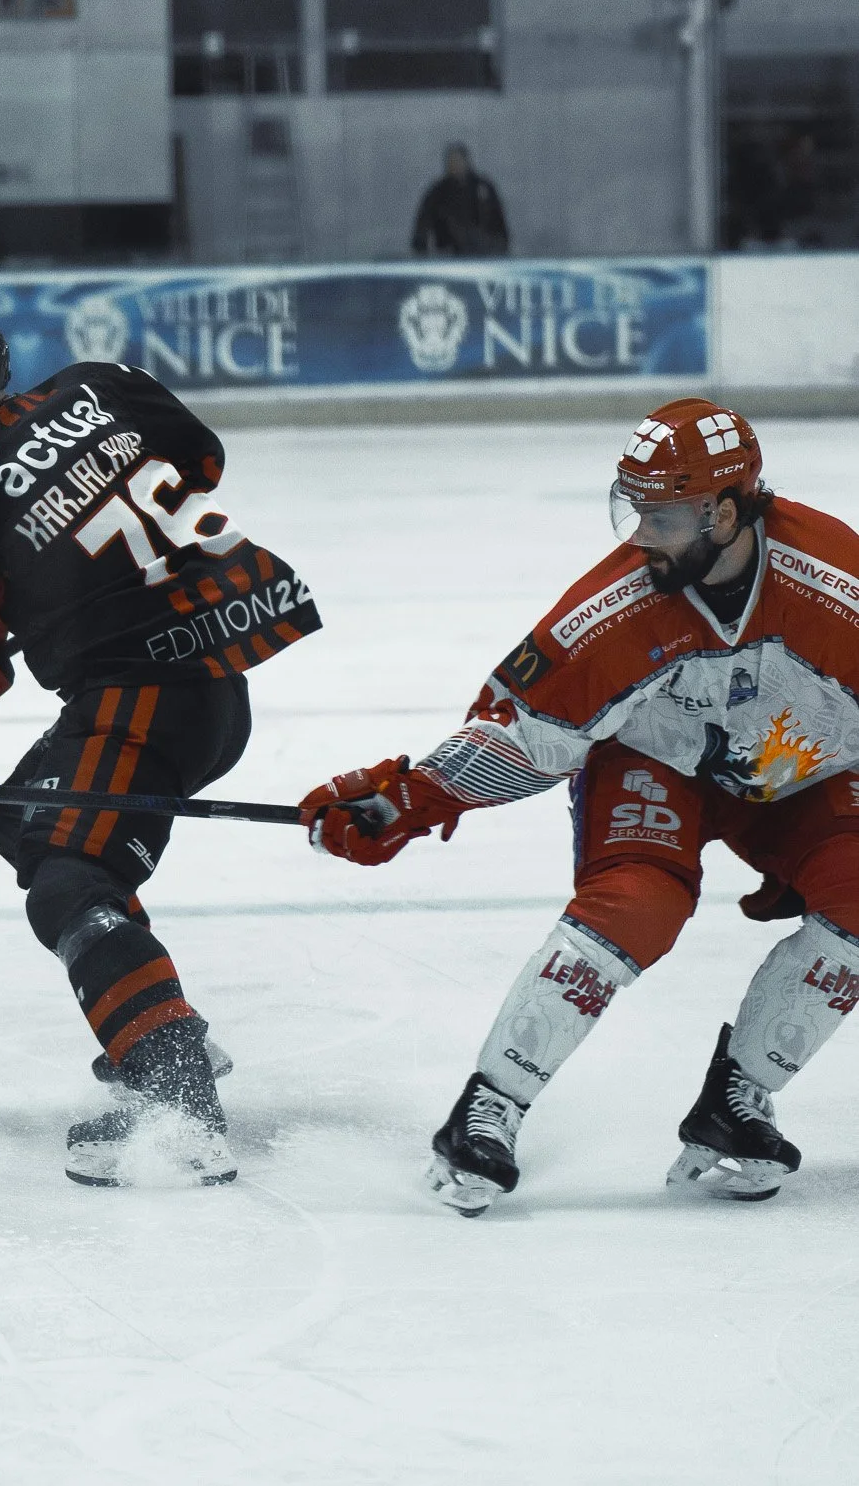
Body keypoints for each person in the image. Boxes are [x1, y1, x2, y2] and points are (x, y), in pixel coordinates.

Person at [298, 399, 859, 1216]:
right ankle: (487, 1110)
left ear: (727, 511)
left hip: (798, 768)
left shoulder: (839, 587)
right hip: (653, 760)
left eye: (662, 517)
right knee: (635, 907)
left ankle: (736, 1103)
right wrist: (408, 799)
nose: (639, 537)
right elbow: (524, 734)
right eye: (634, 511)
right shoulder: (616, 609)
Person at [0, 307, 322, 1187]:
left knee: (69, 876)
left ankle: (177, 1082)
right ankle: (147, 1008)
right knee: (19, 818)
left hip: (142, 704)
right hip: (211, 676)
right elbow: (201, 456)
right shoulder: (100, 385)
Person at [410, 142, 509, 258]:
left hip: (483, 255)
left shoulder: (483, 189)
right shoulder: (438, 193)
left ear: (466, 161)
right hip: (448, 256)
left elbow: (499, 224)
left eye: (458, 161)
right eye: (452, 162)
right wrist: (421, 250)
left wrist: (499, 248)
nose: (455, 165)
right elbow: (422, 226)